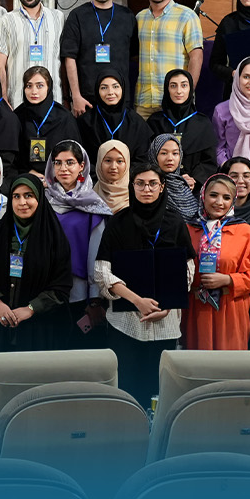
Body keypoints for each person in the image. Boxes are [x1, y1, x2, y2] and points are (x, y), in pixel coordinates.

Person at [95, 165, 195, 407]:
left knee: (159, 389)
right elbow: (101, 271)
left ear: (162, 187)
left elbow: (188, 269)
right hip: (126, 323)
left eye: (152, 183)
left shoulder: (175, 222)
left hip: (165, 323)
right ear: (132, 186)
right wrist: (137, 301)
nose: (146, 189)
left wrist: (167, 306)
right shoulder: (118, 222)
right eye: (140, 183)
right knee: (127, 388)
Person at [0, 174, 74, 382]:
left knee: (34, 387)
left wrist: (31, 308)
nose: (22, 202)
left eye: (28, 196)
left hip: (38, 329)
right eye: (16, 196)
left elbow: (61, 285)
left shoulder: (53, 236)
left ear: (39, 198)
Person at [183, 172, 250, 352]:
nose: (219, 202)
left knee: (229, 362)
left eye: (226, 197)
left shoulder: (244, 231)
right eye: (213, 195)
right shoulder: (188, 229)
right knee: (196, 362)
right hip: (195, 308)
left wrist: (229, 280)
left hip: (230, 308)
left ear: (233, 201)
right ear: (203, 196)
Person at [42, 141, 113, 330]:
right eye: (57, 163)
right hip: (44, 290)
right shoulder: (42, 201)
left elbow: (96, 255)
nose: (63, 168)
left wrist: (95, 298)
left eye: (70, 162)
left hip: (80, 293)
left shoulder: (93, 205)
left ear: (82, 166)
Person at [59, 0, 137, 116]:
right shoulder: (77, 16)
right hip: (87, 99)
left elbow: (134, 56)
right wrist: (75, 96)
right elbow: (69, 58)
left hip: (120, 98)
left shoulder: (128, 16)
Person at [132, 0, 205, 116]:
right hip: (144, 101)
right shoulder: (139, 18)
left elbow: (196, 57)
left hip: (175, 101)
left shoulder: (187, 16)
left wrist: (188, 93)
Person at [0, 0, 65, 92]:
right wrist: (3, 97)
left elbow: (65, 61)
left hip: (53, 96)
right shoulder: (6, 20)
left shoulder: (58, 18)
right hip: (18, 97)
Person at [146, 69, 219, 184]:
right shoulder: (155, 121)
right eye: (173, 86)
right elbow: (147, 158)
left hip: (192, 186)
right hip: (159, 183)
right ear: (167, 89)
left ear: (190, 89)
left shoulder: (202, 123)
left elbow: (208, 162)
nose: (179, 91)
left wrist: (194, 179)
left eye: (184, 85)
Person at [80, 69, 153, 161]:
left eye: (115, 87)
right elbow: (81, 158)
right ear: (97, 91)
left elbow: (142, 160)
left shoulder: (136, 122)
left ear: (123, 89)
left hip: (131, 170)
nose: (110, 92)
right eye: (104, 88)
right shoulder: (85, 122)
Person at [14, 67, 74, 175]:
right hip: (26, 175)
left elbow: (73, 154)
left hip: (59, 175)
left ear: (48, 87)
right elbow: (14, 156)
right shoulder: (17, 115)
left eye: (40, 86)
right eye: (29, 86)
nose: (34, 91)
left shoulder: (64, 117)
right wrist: (29, 172)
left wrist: (53, 175)